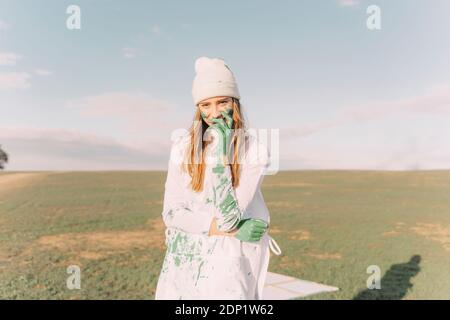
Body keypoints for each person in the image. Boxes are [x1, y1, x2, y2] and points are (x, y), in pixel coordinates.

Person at [155, 56, 281, 300]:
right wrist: (224, 229)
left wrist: (222, 156)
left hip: (230, 261)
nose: (214, 113)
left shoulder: (254, 151)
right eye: (206, 105)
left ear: (235, 103)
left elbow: (228, 220)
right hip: (185, 256)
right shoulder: (182, 148)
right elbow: (171, 213)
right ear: (198, 109)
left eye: (222, 102)